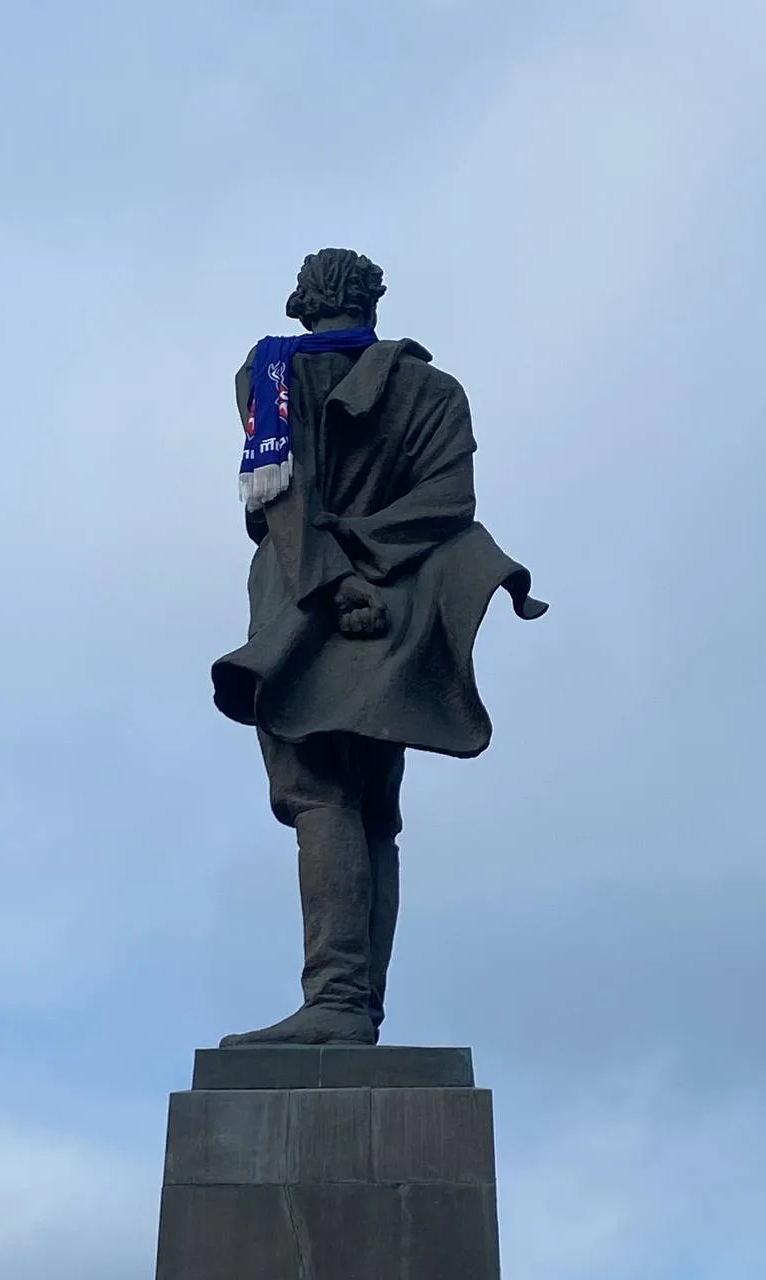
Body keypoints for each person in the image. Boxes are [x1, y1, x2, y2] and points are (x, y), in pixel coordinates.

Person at [212, 249, 547, 1046]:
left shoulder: (271, 375)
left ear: (304, 301)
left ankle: (335, 1000)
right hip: (395, 613)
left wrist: (333, 580)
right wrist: (371, 568)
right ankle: (355, 1007)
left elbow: (278, 496)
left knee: (319, 794)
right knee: (373, 812)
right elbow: (449, 501)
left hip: (301, 606)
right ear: (372, 302)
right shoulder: (436, 391)